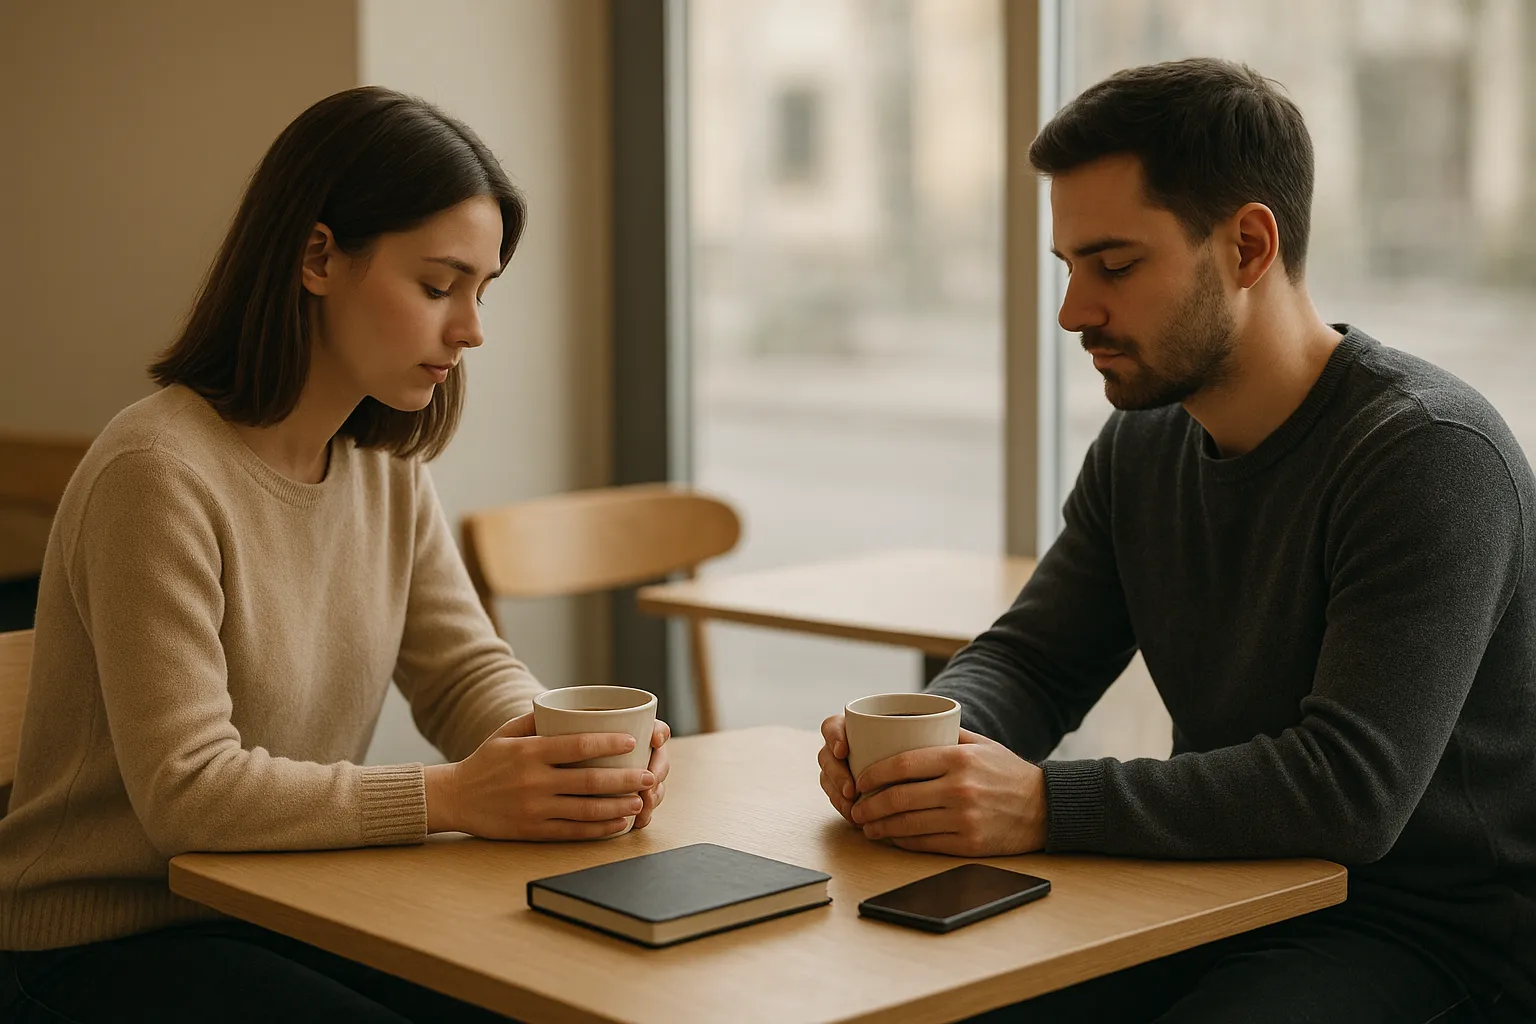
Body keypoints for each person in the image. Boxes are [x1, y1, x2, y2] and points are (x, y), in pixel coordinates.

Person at [817, 58, 1535, 1023]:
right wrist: (924, 748)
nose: (1075, 312)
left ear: (1246, 245)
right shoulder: (1145, 442)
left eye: (1114, 266)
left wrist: (1040, 805)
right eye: (1068, 269)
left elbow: (1351, 791)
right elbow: (1035, 661)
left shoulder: (1428, 456)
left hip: (1427, 930)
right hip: (1207, 893)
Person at [0, 86, 669, 1023]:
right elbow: (187, 794)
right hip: (102, 946)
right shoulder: (158, 470)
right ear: (318, 257)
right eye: (439, 286)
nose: (470, 329)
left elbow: (460, 672)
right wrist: (457, 796)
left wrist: (564, 751)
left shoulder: (378, 463)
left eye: (481, 291)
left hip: (287, 905)